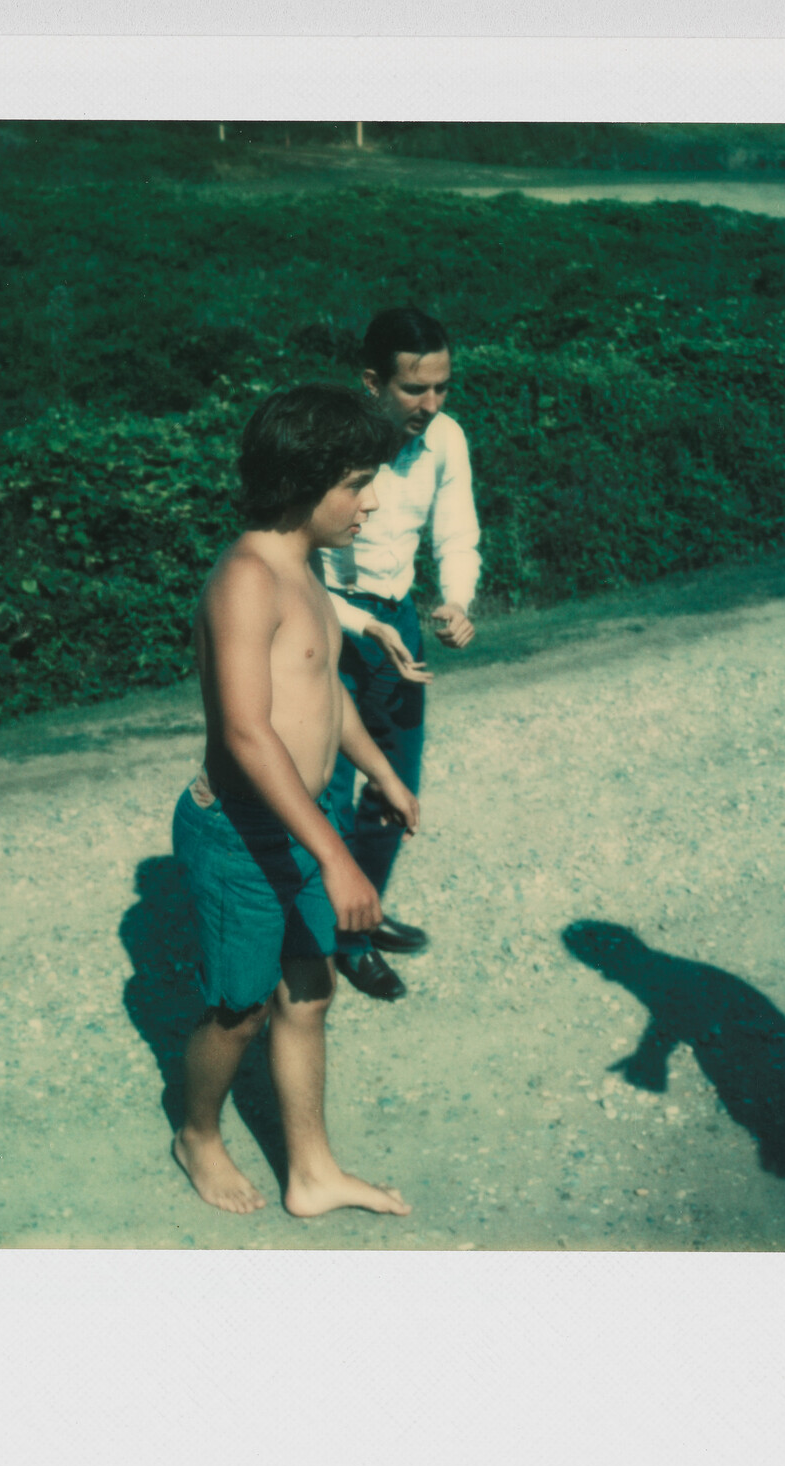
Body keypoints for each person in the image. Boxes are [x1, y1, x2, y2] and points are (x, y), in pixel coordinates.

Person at [171, 384, 419, 1218]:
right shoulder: (246, 580)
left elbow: (321, 693)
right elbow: (246, 733)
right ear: (299, 482)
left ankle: (311, 1173)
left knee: (309, 993)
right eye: (355, 482)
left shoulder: (303, 567)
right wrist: (338, 855)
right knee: (240, 1011)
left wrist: (381, 773)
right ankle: (197, 1133)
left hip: (299, 828)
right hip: (242, 834)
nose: (370, 500)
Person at [320, 307, 481, 1001]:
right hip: (325, 624)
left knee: (394, 785)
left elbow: (457, 528)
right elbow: (291, 565)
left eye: (442, 386)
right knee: (324, 792)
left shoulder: (445, 439)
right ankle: (326, 937)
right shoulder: (328, 441)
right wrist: (357, 624)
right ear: (371, 382)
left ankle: (360, 919)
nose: (432, 403)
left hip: (399, 623)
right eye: (416, 389)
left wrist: (457, 600)